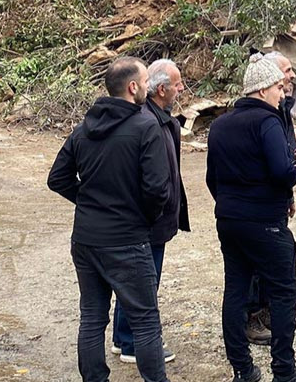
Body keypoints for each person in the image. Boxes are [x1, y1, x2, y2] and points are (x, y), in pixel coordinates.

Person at [47, 56, 173, 382]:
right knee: (145, 321)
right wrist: (140, 217)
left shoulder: (83, 129)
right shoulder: (146, 126)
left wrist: (89, 204)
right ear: (133, 87)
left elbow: (58, 178)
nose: (148, 87)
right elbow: (158, 190)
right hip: (127, 239)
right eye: (145, 82)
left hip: (86, 239)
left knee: (91, 317)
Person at [207, 55, 296, 382]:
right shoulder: (267, 121)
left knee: (236, 292)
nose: (282, 94)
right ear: (261, 89)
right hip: (266, 223)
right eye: (278, 87)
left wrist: (232, 204)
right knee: (284, 293)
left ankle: (243, 370)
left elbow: (212, 179)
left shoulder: (220, 125)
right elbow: (282, 171)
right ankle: (284, 371)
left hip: (229, 220)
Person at [110, 59, 190, 364]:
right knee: (143, 281)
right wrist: (154, 212)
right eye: (177, 84)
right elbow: (149, 180)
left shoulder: (159, 117)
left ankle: (121, 336)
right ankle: (132, 343)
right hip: (149, 220)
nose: (181, 89)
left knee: (133, 280)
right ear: (160, 89)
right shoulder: (147, 122)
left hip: (154, 218)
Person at [244, 51, 296, 346]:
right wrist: (289, 179)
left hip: (276, 200)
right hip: (260, 209)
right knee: (259, 263)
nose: (289, 77)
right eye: (284, 72)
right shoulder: (265, 114)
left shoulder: (283, 106)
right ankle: (254, 316)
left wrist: (288, 196)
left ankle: (266, 311)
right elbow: (279, 167)